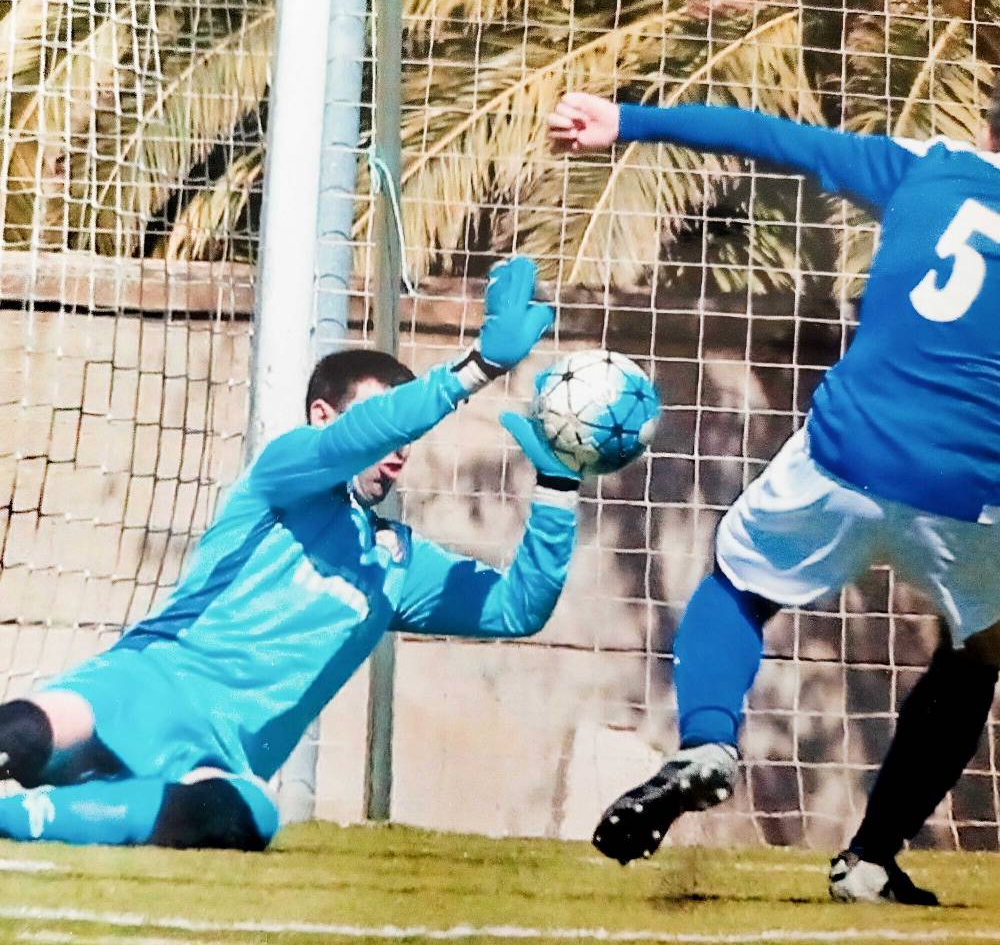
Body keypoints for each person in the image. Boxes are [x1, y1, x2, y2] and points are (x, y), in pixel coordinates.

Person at [548, 88, 1000, 904]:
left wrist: (630, 121)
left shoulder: (924, 170)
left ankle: (709, 741)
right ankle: (868, 859)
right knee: (979, 653)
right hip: (975, 490)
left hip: (847, 452)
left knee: (738, 584)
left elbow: (772, 136)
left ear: (988, 125)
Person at [0, 256, 584, 850]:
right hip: (140, 686)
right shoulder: (282, 473)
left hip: (218, 755)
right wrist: (475, 368)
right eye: (385, 430)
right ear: (321, 417)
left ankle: (27, 816)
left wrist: (559, 488)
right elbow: (358, 438)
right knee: (27, 730)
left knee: (248, 815)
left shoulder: (397, 564)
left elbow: (517, 607)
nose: (397, 450)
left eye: (406, 439)